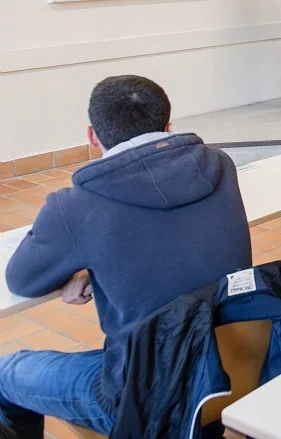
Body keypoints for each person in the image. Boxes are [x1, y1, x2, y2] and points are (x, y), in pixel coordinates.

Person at [0, 76, 252, 436]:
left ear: (91, 137)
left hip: (142, 395)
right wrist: (97, 267)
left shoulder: (75, 206)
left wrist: (78, 271)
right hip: (233, 366)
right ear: (167, 127)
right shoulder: (220, 166)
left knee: (6, 375)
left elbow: (21, 279)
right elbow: (169, 242)